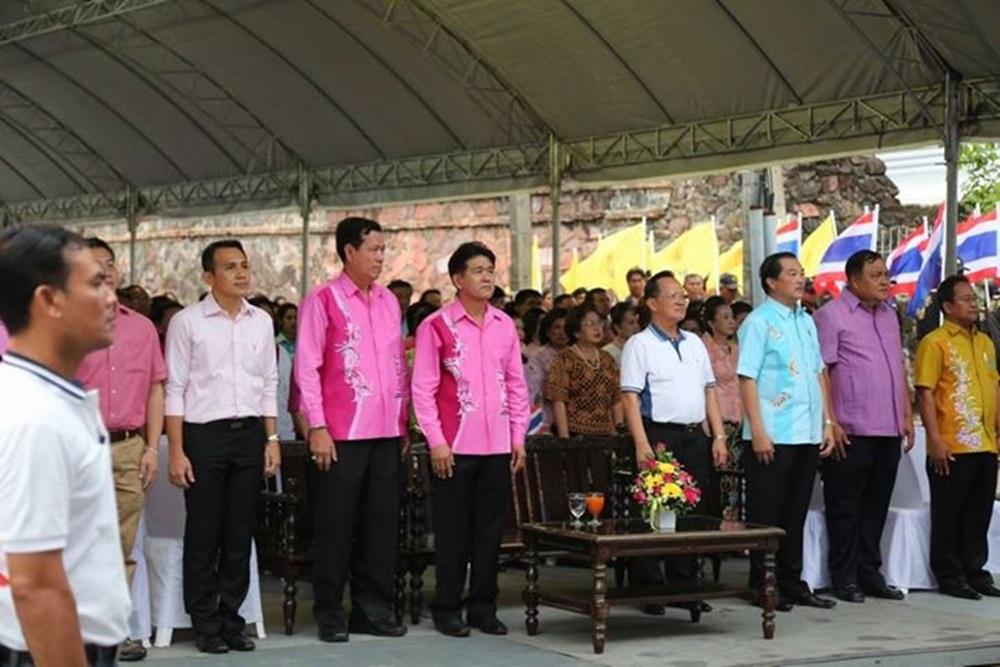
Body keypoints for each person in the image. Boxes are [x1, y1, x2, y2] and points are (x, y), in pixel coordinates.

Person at [0, 225, 130, 666]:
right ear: (49, 300)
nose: (111, 298)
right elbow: (34, 584)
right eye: (96, 284)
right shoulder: (35, 417)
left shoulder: (45, 399)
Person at [294, 217, 410, 643]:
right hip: (340, 433)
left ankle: (371, 610)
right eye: (374, 250)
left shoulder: (388, 301)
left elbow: (397, 365)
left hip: (386, 430)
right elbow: (307, 367)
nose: (381, 257)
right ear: (349, 252)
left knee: (381, 526)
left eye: (383, 250)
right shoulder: (322, 300)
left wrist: (402, 421)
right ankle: (329, 612)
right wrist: (317, 426)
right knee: (335, 527)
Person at [165, 239, 281, 654]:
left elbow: (268, 382)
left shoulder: (261, 321)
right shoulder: (187, 322)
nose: (241, 273)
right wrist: (176, 450)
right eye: (230, 267)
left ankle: (232, 619)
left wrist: (271, 439)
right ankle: (205, 622)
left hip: (249, 434)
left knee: (240, 532)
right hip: (203, 436)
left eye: (244, 265)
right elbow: (174, 388)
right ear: (208, 276)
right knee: (204, 532)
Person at [412, 241, 529, 638]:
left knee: (490, 531)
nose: (487, 277)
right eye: (478, 271)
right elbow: (423, 389)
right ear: (458, 279)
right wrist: (436, 441)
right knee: (453, 532)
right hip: (454, 446)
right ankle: (447, 607)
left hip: (497, 445)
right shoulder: (436, 326)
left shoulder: (504, 324)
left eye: (490, 270)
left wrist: (518, 436)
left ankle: (483, 606)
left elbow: (516, 384)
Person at [77, 238, 166, 662]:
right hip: (79, 448)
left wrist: (152, 448)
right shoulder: (66, 323)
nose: (106, 270)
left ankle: (110, 631)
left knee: (121, 545)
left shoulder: (142, 328)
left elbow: (155, 388)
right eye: (95, 264)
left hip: (129, 448)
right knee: (77, 543)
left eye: (110, 263)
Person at [620, 271, 728, 610]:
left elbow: (709, 391)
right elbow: (630, 398)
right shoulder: (640, 344)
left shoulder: (694, 342)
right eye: (673, 295)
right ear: (652, 303)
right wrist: (641, 444)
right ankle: (648, 588)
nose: (681, 300)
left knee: (691, 512)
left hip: (695, 435)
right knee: (655, 510)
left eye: (683, 295)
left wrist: (718, 435)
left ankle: (684, 586)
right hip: (659, 435)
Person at [737, 252, 836, 611]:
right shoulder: (759, 322)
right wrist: (758, 431)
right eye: (791, 274)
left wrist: (827, 422)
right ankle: (763, 584)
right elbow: (747, 378)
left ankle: (792, 581)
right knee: (767, 514)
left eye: (801, 273)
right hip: (773, 433)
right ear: (771, 282)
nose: (800, 279)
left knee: (796, 512)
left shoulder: (806, 320)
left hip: (806, 432)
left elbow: (818, 372)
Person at [813, 250, 912, 604]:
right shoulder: (830, 315)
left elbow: (897, 368)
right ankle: (844, 577)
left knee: (876, 506)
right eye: (876, 275)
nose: (885, 281)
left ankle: (870, 573)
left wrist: (905, 413)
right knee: (845, 508)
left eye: (886, 274)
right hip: (850, 429)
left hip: (888, 427)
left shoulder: (889, 315)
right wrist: (830, 421)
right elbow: (822, 371)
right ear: (854, 281)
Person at [915, 275, 1000, 600]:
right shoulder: (934, 342)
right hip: (952, 444)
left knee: (979, 513)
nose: (973, 304)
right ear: (948, 306)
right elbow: (925, 392)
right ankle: (950, 576)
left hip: (986, 442)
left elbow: (994, 387)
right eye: (965, 299)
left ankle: (975, 572)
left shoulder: (985, 342)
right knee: (950, 514)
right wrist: (934, 439)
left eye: (974, 298)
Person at [546, 305, 622, 437]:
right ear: (576, 332)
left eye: (599, 323)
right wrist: (564, 438)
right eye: (589, 324)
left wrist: (619, 430)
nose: (597, 328)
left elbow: (616, 398)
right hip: (576, 434)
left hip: (607, 433)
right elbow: (559, 400)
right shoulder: (564, 360)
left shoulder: (607, 359)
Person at [700, 296, 743, 519]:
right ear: (711, 322)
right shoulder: (703, 348)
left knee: (737, 478)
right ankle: (720, 522)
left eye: (732, 317)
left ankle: (736, 520)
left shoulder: (737, 348)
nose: (731, 322)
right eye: (725, 317)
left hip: (740, 421)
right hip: (718, 420)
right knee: (720, 476)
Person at [275, 303, 299, 441]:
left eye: (296, 318)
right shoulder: (276, 347)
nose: (293, 322)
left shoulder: (304, 343)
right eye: (289, 318)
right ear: (280, 321)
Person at [603, 302, 640, 366]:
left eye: (637, 321)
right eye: (631, 323)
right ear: (617, 328)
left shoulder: (641, 348)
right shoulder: (608, 353)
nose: (637, 326)